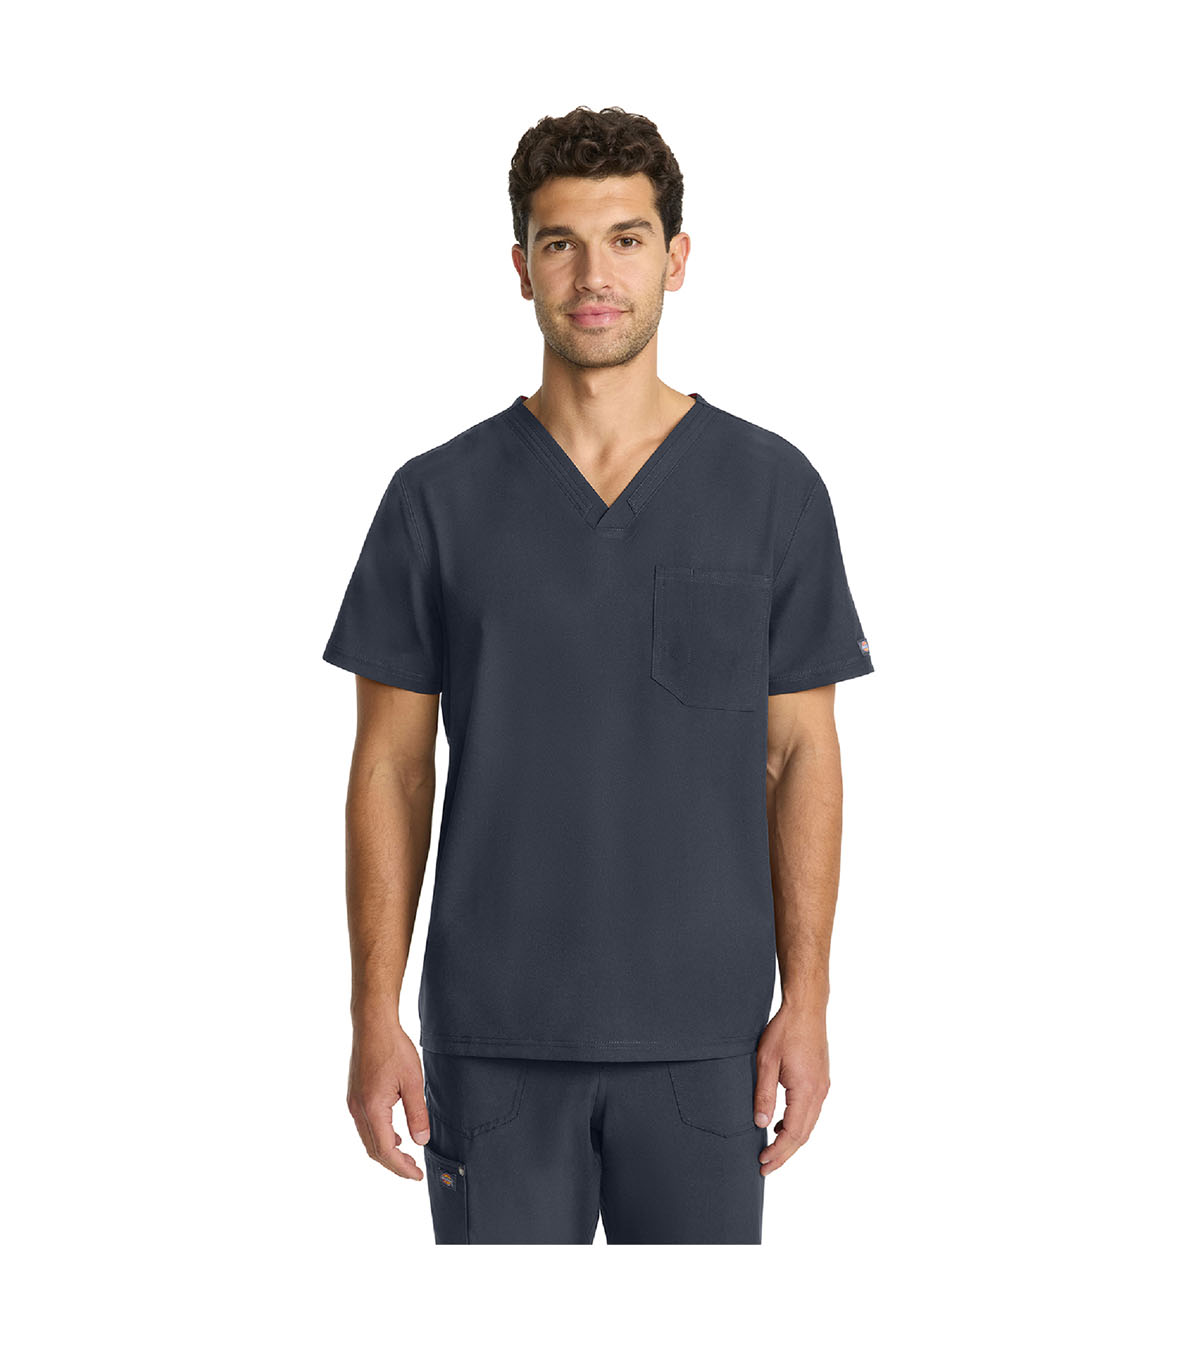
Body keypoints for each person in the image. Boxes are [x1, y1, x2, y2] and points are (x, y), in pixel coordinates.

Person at [322, 105, 875, 1244]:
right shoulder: (435, 500)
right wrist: (374, 1013)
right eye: (561, 243)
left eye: (626, 239)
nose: (594, 276)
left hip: (710, 1047)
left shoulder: (773, 491)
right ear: (520, 267)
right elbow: (390, 768)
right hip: (492, 1044)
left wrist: (809, 1002)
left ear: (677, 258)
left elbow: (801, 756)